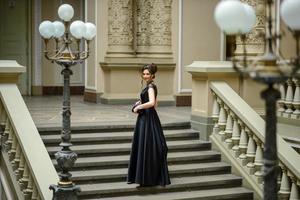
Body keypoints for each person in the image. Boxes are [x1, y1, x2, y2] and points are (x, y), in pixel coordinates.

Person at [127, 63, 171, 187]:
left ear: (152, 75)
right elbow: (155, 104)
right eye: (144, 73)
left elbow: (152, 103)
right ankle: (147, 176)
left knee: (147, 145)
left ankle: (147, 177)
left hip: (147, 118)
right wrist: (140, 102)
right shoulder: (151, 86)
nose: (145, 76)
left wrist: (139, 107)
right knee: (147, 145)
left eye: (147, 74)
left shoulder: (151, 87)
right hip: (148, 117)